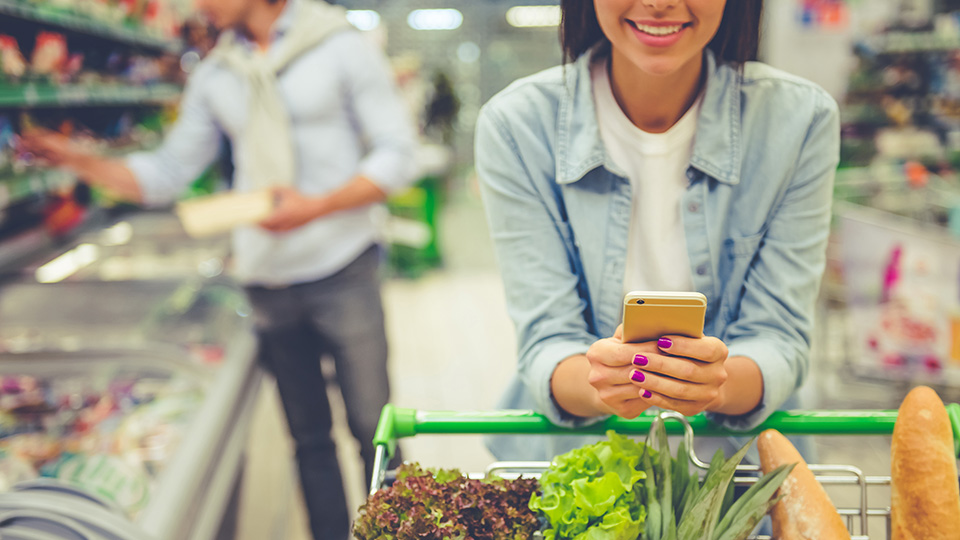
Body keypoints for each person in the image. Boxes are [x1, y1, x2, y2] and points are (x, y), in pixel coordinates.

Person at [22, 0, 418, 538]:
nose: (200, 5)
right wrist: (74, 157)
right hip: (267, 278)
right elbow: (166, 173)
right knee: (308, 440)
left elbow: (398, 155)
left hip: (342, 264)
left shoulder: (339, 45)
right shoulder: (217, 74)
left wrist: (315, 206)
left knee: (377, 430)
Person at [475, 0, 839, 461]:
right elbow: (548, 340)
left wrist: (716, 385)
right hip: (577, 471)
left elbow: (779, 336)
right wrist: (600, 382)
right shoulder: (516, 125)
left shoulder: (799, 119)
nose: (659, 3)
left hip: (738, 480)